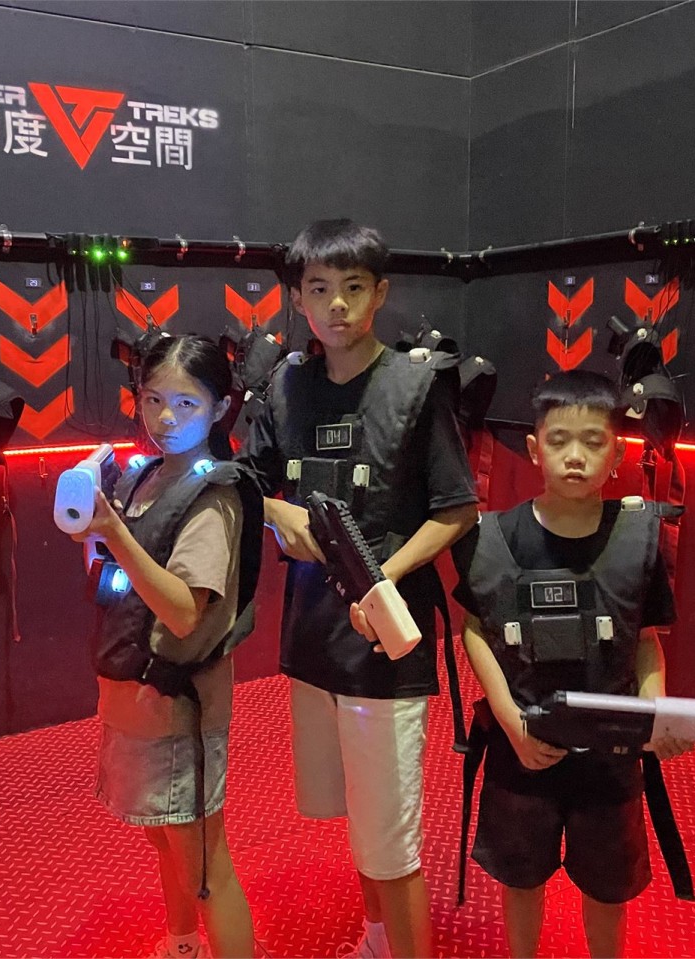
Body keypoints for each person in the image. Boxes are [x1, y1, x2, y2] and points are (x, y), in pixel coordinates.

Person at [237, 218, 478, 958]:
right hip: (315, 635)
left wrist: (384, 575)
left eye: (352, 287)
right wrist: (275, 509)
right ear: (298, 299)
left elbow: (458, 508)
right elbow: (247, 481)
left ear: (380, 293)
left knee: (392, 835)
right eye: (319, 289)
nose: (336, 305)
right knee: (360, 818)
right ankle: (377, 939)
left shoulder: (416, 385)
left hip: (387, 644)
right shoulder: (286, 386)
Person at [452, 370, 695, 959]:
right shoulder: (494, 535)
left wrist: (655, 711)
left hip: (610, 757)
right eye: (559, 440)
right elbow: (475, 629)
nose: (576, 456)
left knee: (609, 889)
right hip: (521, 745)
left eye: (593, 441)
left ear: (618, 454)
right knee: (521, 879)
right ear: (534, 448)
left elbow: (645, 640)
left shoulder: (637, 537)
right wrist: (508, 718)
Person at [68, 335, 262, 959]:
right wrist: (99, 532)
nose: (166, 418)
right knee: (166, 839)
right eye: (153, 400)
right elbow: (116, 581)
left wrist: (113, 532)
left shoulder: (213, 496)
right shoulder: (144, 476)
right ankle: (183, 945)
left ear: (220, 409)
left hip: (180, 709)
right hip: (135, 697)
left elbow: (183, 614)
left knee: (204, 867)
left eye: (186, 403)